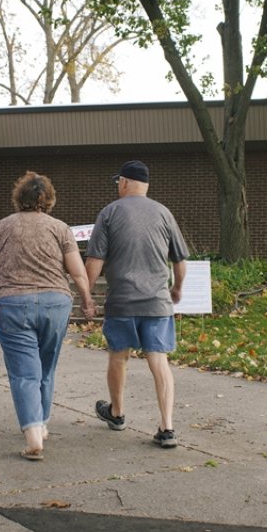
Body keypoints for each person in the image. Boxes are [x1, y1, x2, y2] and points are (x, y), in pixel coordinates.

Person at [0, 171, 97, 461]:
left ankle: (34, 434)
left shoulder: (3, 227)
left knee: (24, 371)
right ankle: (42, 423)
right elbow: (77, 272)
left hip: (12, 303)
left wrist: (0, 295)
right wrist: (86, 301)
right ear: (48, 200)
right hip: (55, 303)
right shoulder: (61, 229)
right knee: (46, 367)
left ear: (18, 197)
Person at [85, 160, 188, 449]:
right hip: (157, 303)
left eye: (118, 181)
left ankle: (117, 414)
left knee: (119, 357)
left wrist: (86, 295)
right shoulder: (164, 213)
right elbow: (180, 261)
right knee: (159, 361)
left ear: (125, 182)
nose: (117, 185)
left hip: (122, 302)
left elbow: (95, 262)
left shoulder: (109, 213)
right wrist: (176, 288)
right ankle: (167, 428)